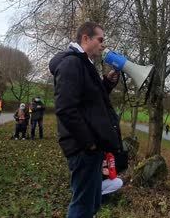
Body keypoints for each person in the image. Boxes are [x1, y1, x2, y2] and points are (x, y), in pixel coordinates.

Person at [49, 22, 122, 218]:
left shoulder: (84, 64)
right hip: (82, 148)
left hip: (89, 148)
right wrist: (89, 143)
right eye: (100, 39)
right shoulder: (72, 63)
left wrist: (106, 83)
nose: (103, 45)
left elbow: (91, 103)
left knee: (91, 202)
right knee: (82, 206)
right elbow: (66, 109)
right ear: (85, 39)